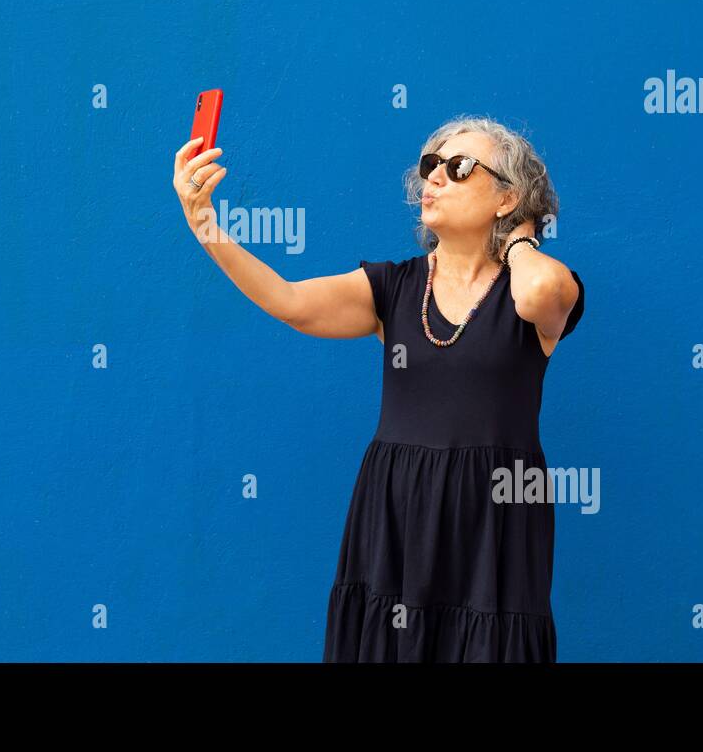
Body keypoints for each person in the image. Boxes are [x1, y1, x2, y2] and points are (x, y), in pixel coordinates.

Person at [172, 115, 585, 662]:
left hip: (494, 518)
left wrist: (519, 241)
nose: (434, 178)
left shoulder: (531, 290)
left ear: (507, 197)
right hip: (396, 508)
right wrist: (203, 222)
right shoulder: (393, 287)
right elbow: (290, 302)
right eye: (429, 166)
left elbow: (541, 294)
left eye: (458, 167)